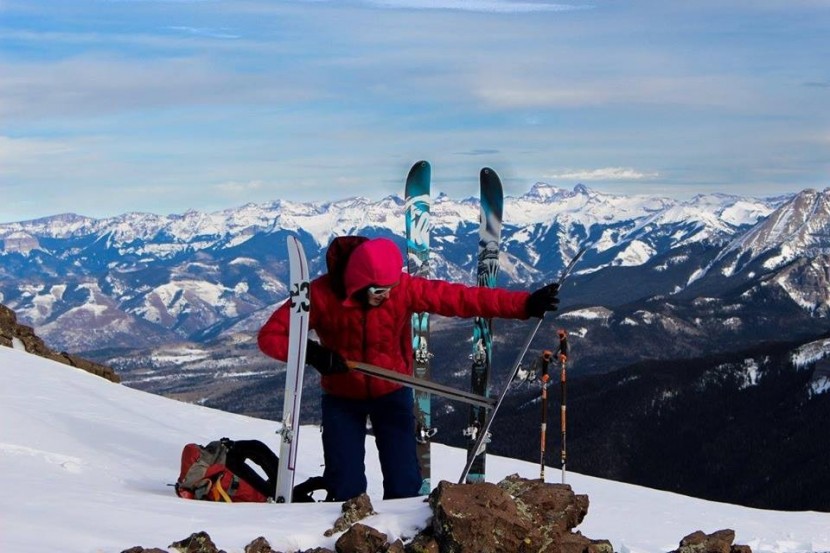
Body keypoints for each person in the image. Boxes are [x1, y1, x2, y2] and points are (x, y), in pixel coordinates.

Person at [258, 235, 560, 501]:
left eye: (390, 288)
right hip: (341, 398)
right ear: (358, 284)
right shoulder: (321, 295)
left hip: (391, 391)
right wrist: (312, 353)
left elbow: (460, 298)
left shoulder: (401, 288)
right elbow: (269, 336)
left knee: (405, 485)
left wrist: (524, 305)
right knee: (344, 485)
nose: (387, 296)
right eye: (378, 291)